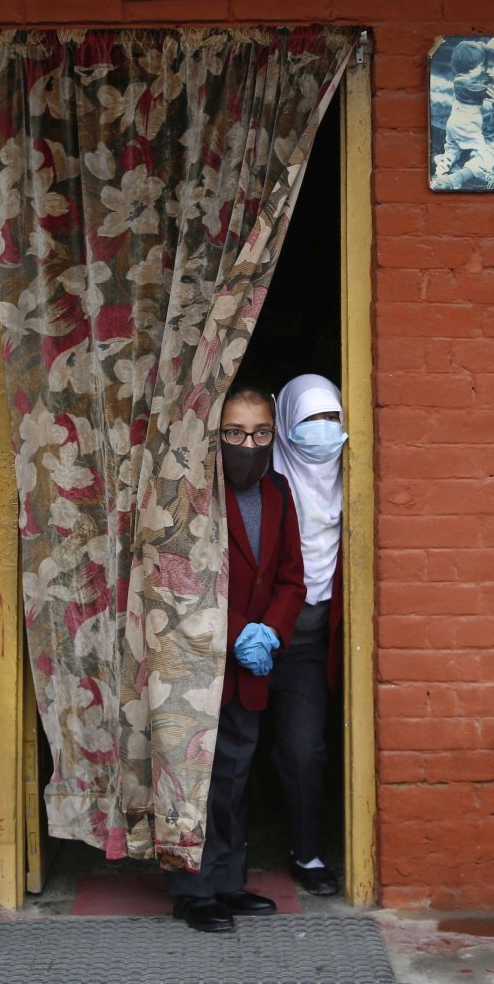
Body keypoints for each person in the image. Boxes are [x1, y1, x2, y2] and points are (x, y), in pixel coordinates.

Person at [166, 383, 306, 933]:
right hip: (193, 664)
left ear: (273, 435)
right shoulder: (191, 494)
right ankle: (192, 892)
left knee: (233, 776)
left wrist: (269, 632)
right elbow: (176, 580)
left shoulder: (278, 493)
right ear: (215, 435)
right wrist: (231, 631)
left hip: (249, 667)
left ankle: (227, 882)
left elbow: (293, 578)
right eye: (234, 433)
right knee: (189, 779)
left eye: (259, 433)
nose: (247, 443)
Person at [269, 374, 349, 897]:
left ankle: (307, 850)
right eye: (309, 420)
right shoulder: (263, 476)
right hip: (249, 633)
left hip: (309, 643)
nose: (322, 432)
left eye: (332, 419)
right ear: (285, 424)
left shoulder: (357, 476)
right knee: (231, 752)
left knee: (304, 750)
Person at [431, 35, 494, 191]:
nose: (487, 70)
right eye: (486, 66)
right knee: (474, 141)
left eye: (492, 66)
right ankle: (460, 167)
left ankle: (456, 178)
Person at [432, 40, 491, 184]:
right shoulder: (466, 83)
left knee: (452, 150)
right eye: (481, 65)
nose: (483, 69)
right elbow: (486, 90)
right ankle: (474, 172)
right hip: (466, 126)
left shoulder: (460, 79)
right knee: (481, 151)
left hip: (455, 124)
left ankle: (440, 171)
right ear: (471, 68)